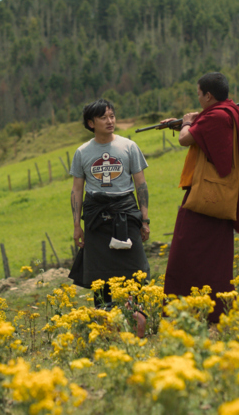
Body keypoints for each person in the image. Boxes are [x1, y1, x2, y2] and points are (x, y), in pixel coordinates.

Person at [162, 72, 239, 323]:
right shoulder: (228, 111)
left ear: (208, 95)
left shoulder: (216, 116)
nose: (198, 98)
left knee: (184, 251)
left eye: (199, 94)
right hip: (220, 194)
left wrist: (185, 122)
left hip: (207, 196)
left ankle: (190, 310)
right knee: (214, 257)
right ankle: (214, 309)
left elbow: (185, 139)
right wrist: (188, 120)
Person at [68, 99, 151, 335]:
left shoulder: (129, 146)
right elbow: (76, 190)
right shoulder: (82, 152)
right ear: (90, 123)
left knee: (135, 270)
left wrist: (144, 220)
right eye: (104, 117)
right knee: (99, 275)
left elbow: (141, 185)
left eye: (112, 116)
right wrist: (77, 225)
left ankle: (137, 322)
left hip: (125, 213)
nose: (110, 121)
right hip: (95, 217)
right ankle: (105, 326)